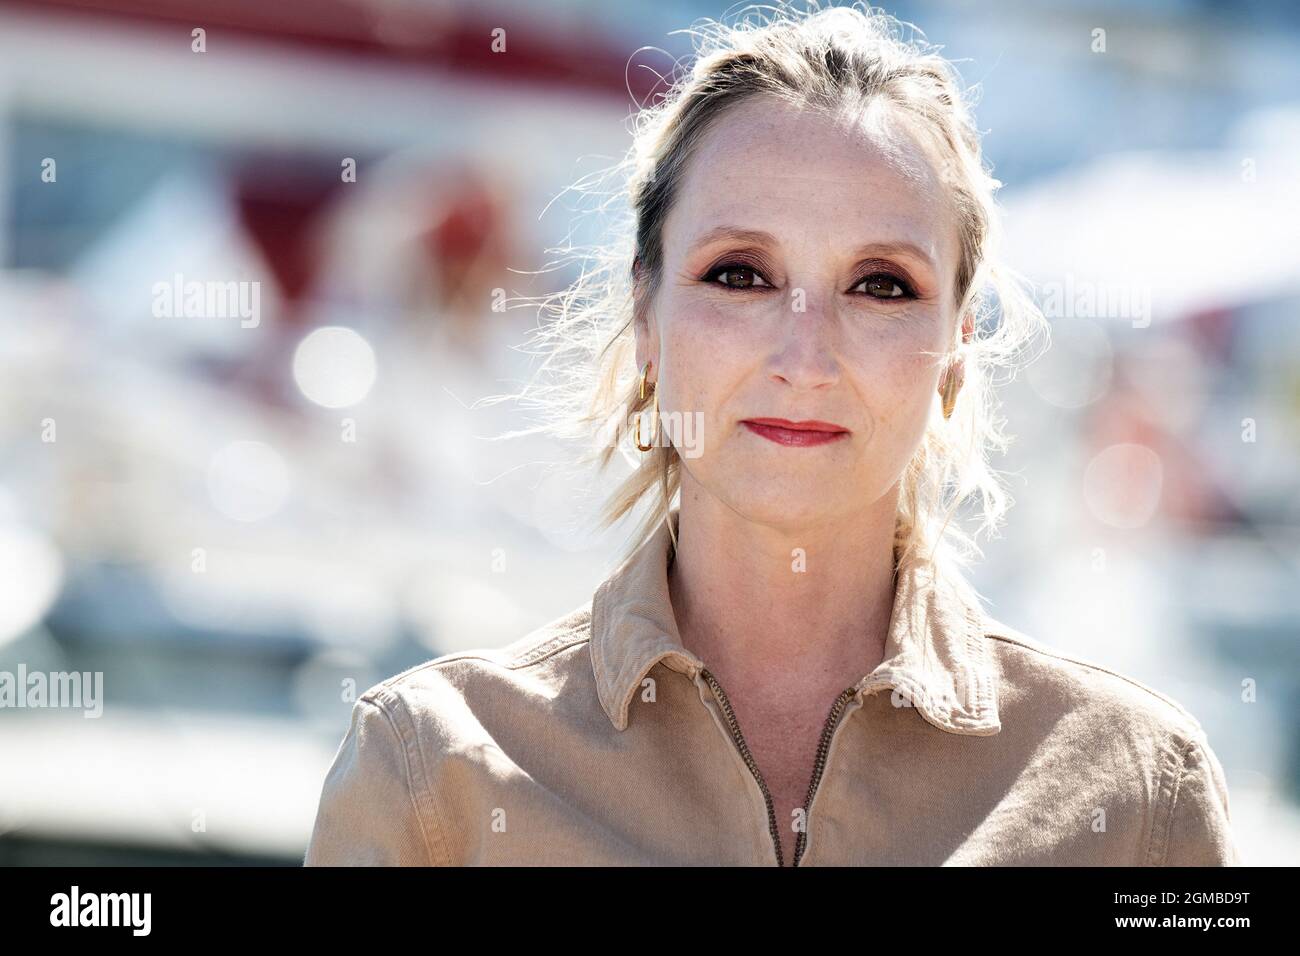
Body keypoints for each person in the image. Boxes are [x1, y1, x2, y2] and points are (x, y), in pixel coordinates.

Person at [304, 2, 1239, 866]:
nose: (806, 355)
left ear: (957, 347)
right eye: (740, 275)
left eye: (880, 285)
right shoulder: (429, 771)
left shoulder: (1139, 792)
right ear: (645, 318)